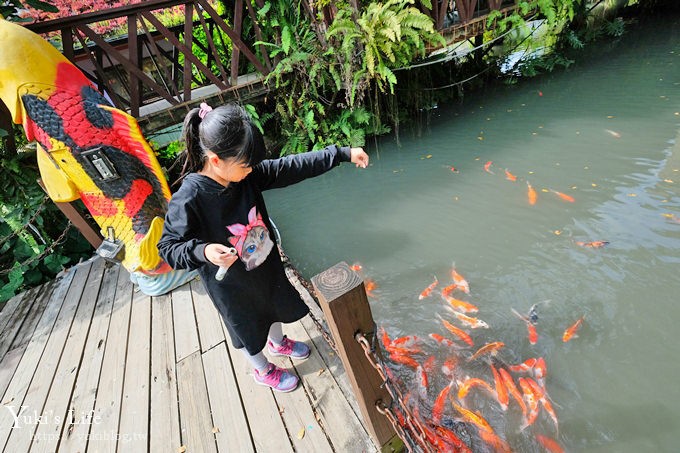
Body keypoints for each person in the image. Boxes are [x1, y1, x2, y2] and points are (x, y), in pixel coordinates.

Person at [157, 102, 369, 392]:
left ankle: (279, 343)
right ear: (217, 160)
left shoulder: (246, 175)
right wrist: (203, 251)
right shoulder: (189, 197)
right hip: (232, 287)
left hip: (264, 266)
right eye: (244, 165)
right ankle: (262, 369)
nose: (250, 170)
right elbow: (168, 247)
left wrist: (342, 154)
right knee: (246, 328)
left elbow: (292, 166)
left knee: (274, 304)